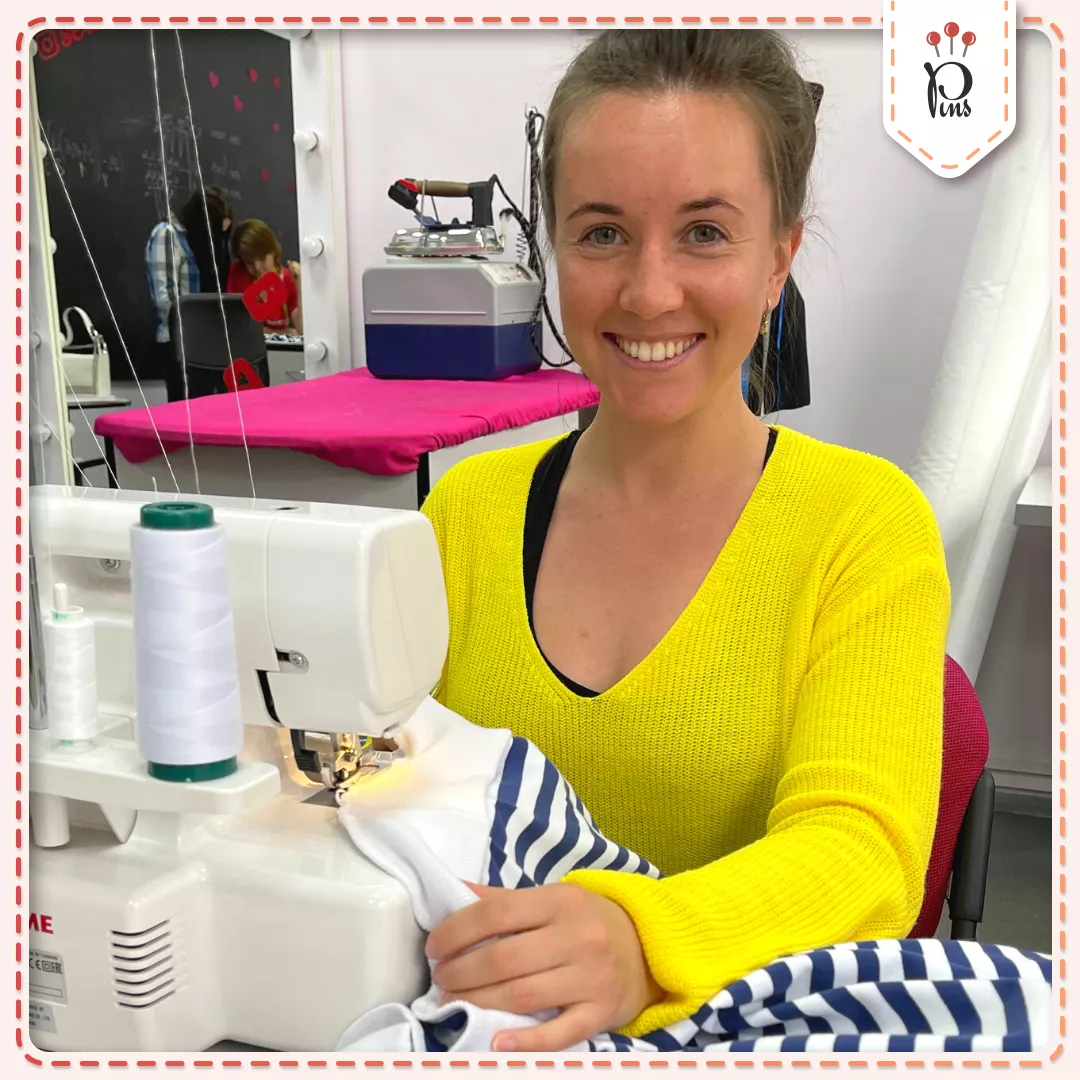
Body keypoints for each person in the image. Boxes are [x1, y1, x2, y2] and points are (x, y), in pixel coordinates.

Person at [417, 31, 953, 1052]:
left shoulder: (862, 528)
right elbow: (375, 781)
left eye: (705, 232)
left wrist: (644, 939)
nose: (650, 291)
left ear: (779, 257)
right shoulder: (463, 517)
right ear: (553, 249)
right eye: (602, 233)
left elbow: (863, 854)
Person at [144, 187, 232, 401]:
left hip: (206, 342)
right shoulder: (168, 234)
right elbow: (164, 298)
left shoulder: (197, 240)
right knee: (185, 409)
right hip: (179, 342)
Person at [227, 219, 303, 335]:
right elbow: (239, 327)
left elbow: (301, 330)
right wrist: (282, 332)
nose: (257, 267)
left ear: (273, 252)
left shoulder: (288, 279)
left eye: (262, 259)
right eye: (249, 262)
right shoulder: (239, 274)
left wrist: (300, 285)